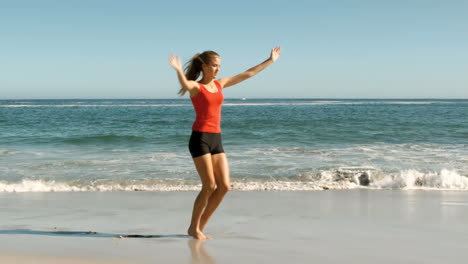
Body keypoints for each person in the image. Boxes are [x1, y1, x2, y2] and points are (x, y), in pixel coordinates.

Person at [169, 47, 281, 240]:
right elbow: (186, 85)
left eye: (219, 66)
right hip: (200, 138)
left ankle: (197, 228)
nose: (218, 69)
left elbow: (248, 74)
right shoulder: (197, 87)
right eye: (214, 65)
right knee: (209, 185)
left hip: (216, 138)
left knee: (224, 187)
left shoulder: (220, 84)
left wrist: (270, 60)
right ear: (204, 66)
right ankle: (194, 227)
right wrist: (178, 70)